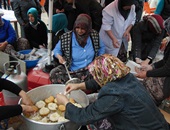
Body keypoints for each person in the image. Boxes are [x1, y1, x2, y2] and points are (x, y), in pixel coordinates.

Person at [56, 54, 169, 130]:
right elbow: (102, 80)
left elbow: (85, 117)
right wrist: (79, 85)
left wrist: (66, 103)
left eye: (96, 75)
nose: (96, 78)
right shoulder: (127, 77)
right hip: (160, 124)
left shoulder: (115, 95)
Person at [50, 14, 105, 84]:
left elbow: (102, 47)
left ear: (88, 28)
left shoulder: (94, 35)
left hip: (90, 69)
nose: (79, 31)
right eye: (77, 28)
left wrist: (98, 59)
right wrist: (59, 56)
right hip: (73, 71)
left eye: (83, 29)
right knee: (54, 73)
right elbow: (57, 50)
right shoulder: (66, 37)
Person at [135, 17, 170, 106]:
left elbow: (167, 69)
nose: (167, 33)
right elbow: (166, 61)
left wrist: (147, 74)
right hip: (165, 78)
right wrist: (151, 67)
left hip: (167, 83)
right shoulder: (140, 26)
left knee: (147, 95)